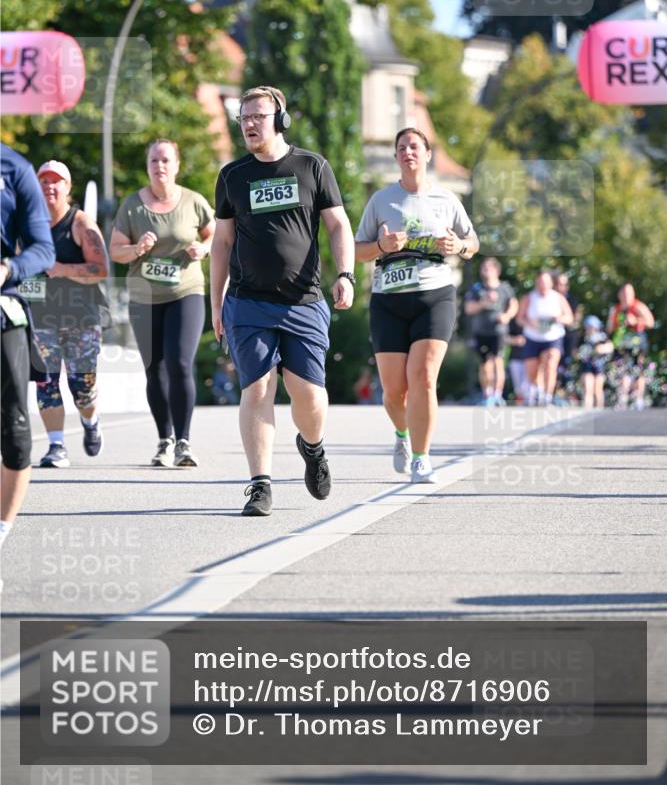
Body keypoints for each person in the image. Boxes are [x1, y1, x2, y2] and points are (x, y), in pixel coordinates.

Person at [210, 85, 355, 517]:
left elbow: (338, 225)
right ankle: (260, 485)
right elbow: (222, 243)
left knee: (307, 395)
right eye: (244, 118)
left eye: (258, 116)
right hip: (248, 301)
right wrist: (215, 302)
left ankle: (313, 449)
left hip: (304, 301)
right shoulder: (233, 176)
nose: (250, 124)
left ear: (280, 120)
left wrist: (345, 274)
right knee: (257, 386)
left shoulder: (312, 167)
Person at [355, 127, 478, 483]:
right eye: (401, 147)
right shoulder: (381, 200)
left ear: (427, 154)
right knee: (394, 391)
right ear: (396, 157)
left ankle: (422, 458)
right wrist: (381, 247)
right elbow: (357, 249)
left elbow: (472, 241)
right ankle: (402, 434)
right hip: (389, 301)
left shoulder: (445, 200)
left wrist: (460, 246)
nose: (408, 152)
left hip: (435, 296)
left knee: (423, 377)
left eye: (414, 146)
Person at [110, 139, 215, 467]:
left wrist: (203, 248)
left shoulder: (193, 201)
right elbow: (116, 250)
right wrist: (138, 249)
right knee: (154, 369)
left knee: (180, 363)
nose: (160, 166)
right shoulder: (132, 205)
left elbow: (217, 234)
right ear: (148, 166)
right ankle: (164, 439)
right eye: (154, 161)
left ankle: (184, 441)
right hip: (144, 296)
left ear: (177, 165)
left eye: (166, 160)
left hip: (186, 292)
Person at [29, 161, 109, 468]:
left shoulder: (80, 224)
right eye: (44, 181)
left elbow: (101, 269)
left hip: (82, 318)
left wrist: (62, 270)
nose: (49, 186)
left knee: (82, 388)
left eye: (56, 181)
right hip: (41, 316)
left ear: (68, 187)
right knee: (45, 382)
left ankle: (90, 421)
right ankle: (56, 445)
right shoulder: (27, 223)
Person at [1, 145, 55, 546]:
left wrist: (9, 268)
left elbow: (43, 248)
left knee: (15, 429)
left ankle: (1, 531)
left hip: (4, 309)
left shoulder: (15, 168)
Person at [464, 257, 518, 406]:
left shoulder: (505, 288)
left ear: (496, 271)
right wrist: (483, 302)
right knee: (484, 364)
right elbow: (468, 308)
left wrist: (506, 316)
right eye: (483, 268)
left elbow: (514, 305)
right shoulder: (477, 288)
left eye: (488, 268)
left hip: (499, 331)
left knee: (498, 362)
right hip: (481, 331)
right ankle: (487, 394)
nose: (485, 271)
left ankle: (497, 395)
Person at [517, 271, 573, 406]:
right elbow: (519, 319)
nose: (543, 285)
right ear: (537, 283)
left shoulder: (558, 298)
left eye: (546, 282)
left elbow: (569, 318)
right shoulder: (529, 298)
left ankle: (548, 397)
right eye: (540, 282)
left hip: (552, 337)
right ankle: (537, 391)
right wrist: (530, 323)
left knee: (550, 365)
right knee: (532, 370)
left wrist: (558, 319)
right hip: (533, 337)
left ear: (551, 283)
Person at [606, 283, 655, 410]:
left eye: (629, 293)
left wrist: (636, 321)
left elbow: (650, 322)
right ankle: (623, 398)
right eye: (624, 293)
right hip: (622, 344)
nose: (627, 296)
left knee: (638, 371)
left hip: (638, 343)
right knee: (622, 371)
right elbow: (610, 329)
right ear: (619, 295)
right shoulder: (615, 309)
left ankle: (638, 399)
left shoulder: (638, 306)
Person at [577, 315, 613, 409]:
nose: (590, 329)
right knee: (588, 387)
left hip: (599, 366)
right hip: (586, 366)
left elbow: (610, 347)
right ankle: (587, 408)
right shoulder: (582, 338)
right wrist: (582, 353)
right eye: (588, 327)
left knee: (598, 388)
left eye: (592, 327)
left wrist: (600, 349)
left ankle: (599, 408)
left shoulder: (602, 337)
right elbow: (576, 352)